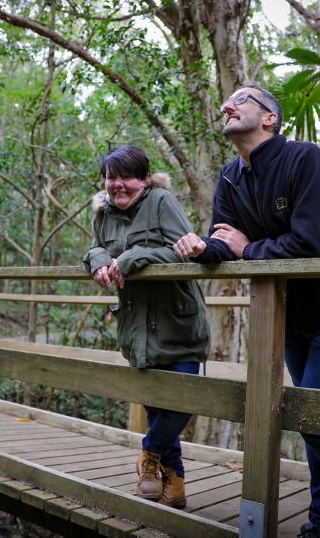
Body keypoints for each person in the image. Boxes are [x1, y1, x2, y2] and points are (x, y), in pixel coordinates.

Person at [173, 85, 320, 538]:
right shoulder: (231, 176)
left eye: (241, 99)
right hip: (286, 318)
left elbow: (314, 243)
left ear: (269, 118)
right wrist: (198, 246)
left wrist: (247, 249)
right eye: (226, 100)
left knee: (315, 421)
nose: (227, 104)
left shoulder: (304, 159)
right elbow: (222, 242)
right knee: (311, 421)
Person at [83, 145, 210, 509]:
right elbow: (94, 248)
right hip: (137, 327)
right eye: (111, 178)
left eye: (127, 178)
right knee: (157, 408)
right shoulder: (103, 212)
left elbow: (185, 250)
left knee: (182, 400)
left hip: (178, 321)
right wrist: (100, 259)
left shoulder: (161, 201)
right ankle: (176, 487)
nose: (118, 185)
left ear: (144, 178)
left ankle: (148, 452)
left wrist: (133, 257)